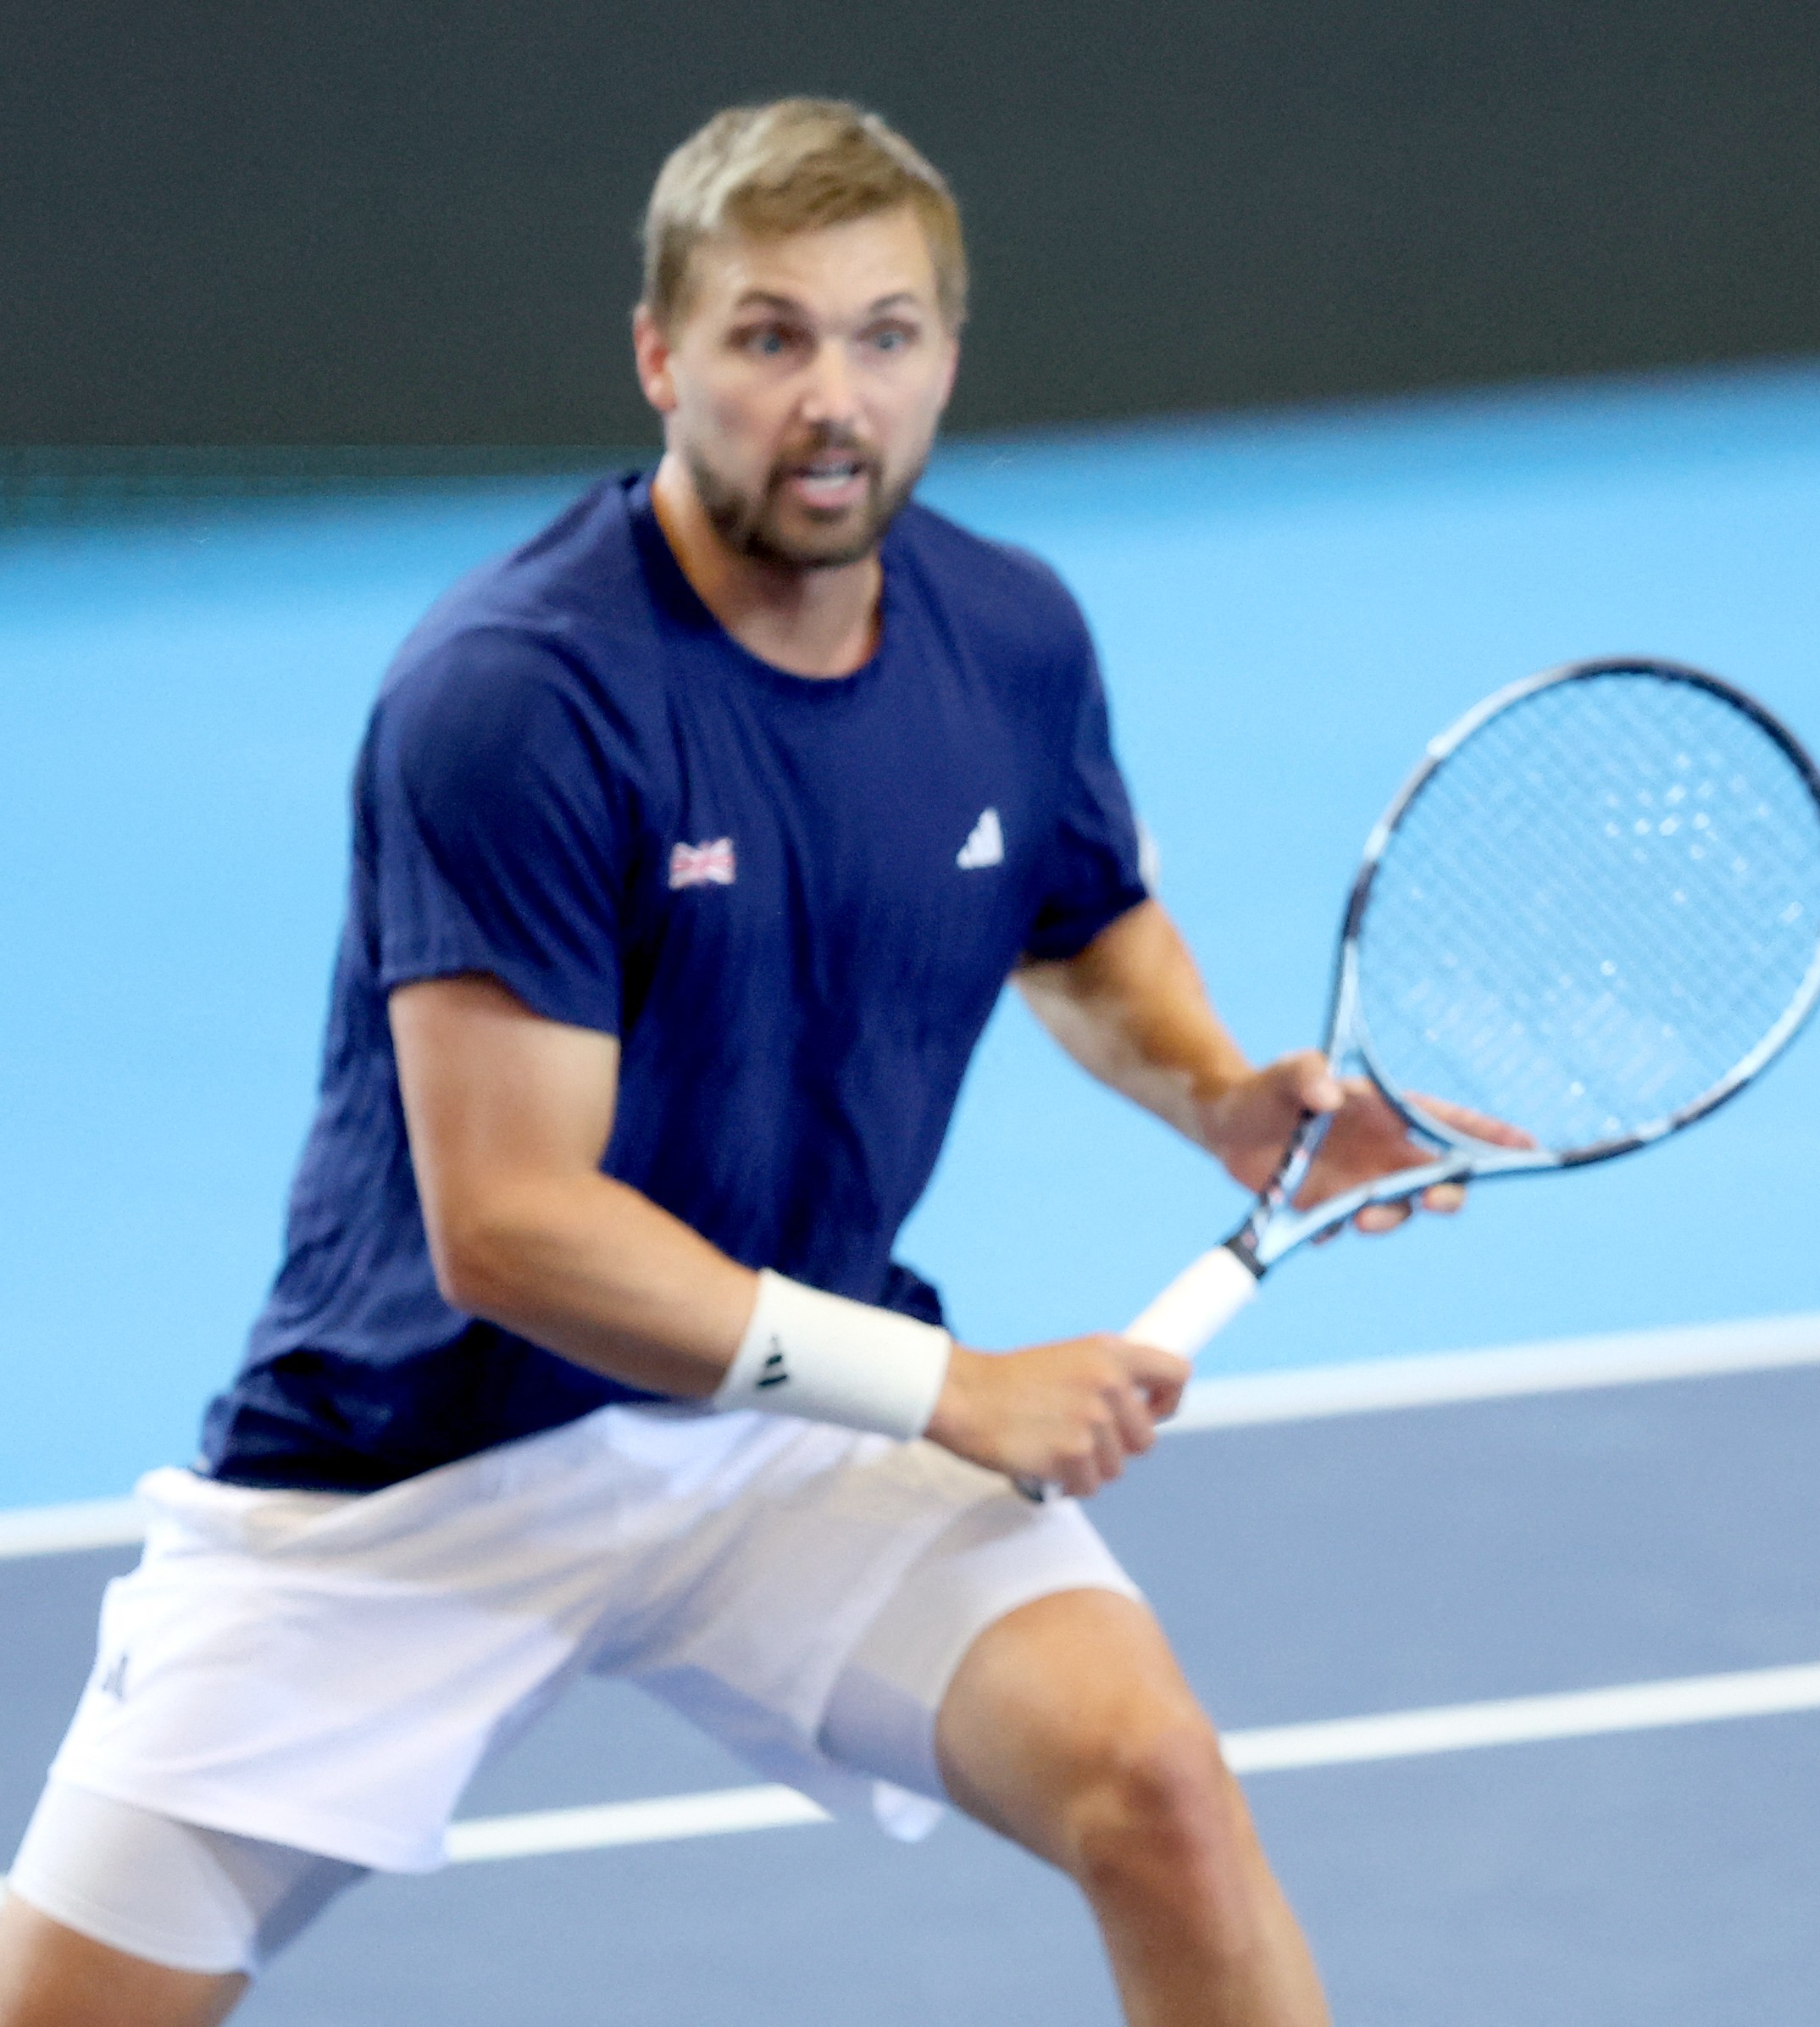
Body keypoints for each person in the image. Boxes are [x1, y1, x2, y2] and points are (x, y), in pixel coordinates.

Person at [0, 98, 1445, 2027]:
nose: (832, 398)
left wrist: (1219, 1089)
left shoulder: (1009, 635)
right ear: (660, 357)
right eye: (770, 336)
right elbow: (510, 1231)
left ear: (947, 355)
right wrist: (944, 1388)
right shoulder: (517, 696)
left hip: (779, 1435)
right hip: (412, 1481)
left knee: (1157, 1791)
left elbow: (1079, 921)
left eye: (885, 334)